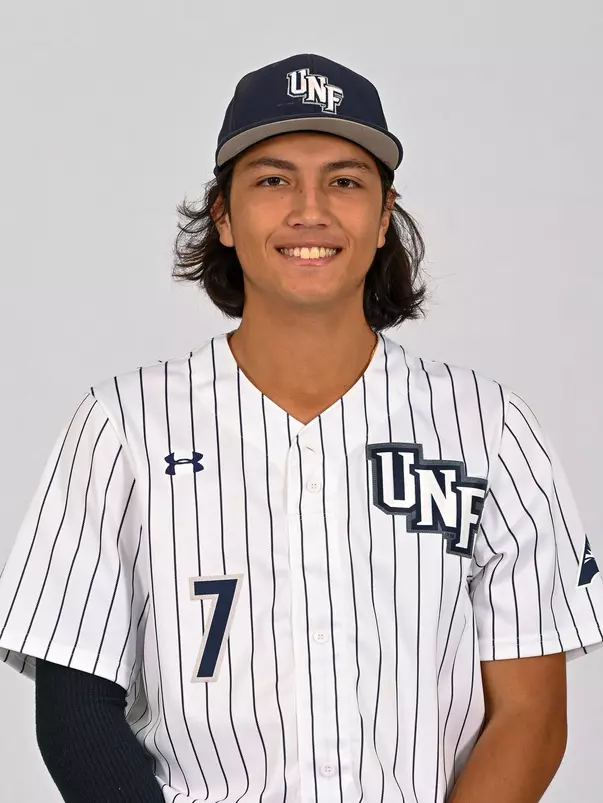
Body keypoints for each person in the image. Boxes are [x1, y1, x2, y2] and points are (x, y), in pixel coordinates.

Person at [0, 52, 602, 803]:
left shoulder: (490, 429)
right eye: (272, 179)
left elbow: (530, 710)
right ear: (222, 215)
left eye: (345, 181)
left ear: (384, 217)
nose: (308, 210)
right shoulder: (120, 426)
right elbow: (74, 709)